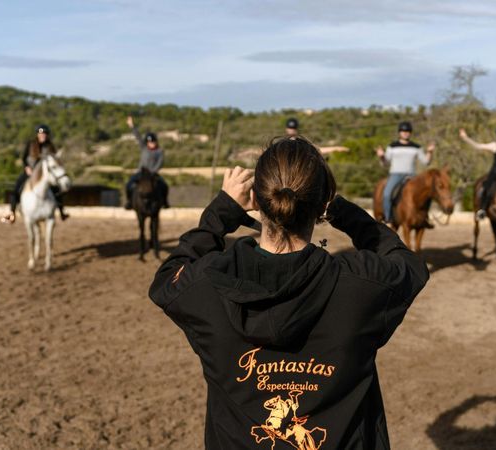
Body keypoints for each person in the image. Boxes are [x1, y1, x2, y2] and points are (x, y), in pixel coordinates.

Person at [149, 136, 428, 449]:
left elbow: (166, 281)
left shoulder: (207, 285)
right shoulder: (361, 286)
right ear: (322, 202)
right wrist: (341, 210)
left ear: (256, 197)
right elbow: (407, 264)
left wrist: (222, 211)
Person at [1, 124, 69, 224]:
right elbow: (24, 158)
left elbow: (54, 160)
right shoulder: (31, 144)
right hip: (30, 172)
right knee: (17, 188)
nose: (43, 136)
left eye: (45, 134)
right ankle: (12, 213)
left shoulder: (50, 146)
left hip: (45, 174)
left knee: (56, 190)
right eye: (41, 134)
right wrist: (27, 167)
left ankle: (61, 211)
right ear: (37, 134)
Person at [375, 121, 435, 224]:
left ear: (410, 133)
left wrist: (429, 152)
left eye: (408, 131)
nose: (405, 133)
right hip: (395, 174)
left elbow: (426, 162)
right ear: (399, 132)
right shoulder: (392, 146)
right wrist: (381, 156)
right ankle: (388, 218)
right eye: (403, 131)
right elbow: (385, 163)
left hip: (411, 176)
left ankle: (425, 219)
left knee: (427, 194)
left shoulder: (416, 147)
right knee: (386, 194)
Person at [459, 124, 496, 219]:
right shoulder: (495, 145)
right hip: (495, 174)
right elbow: (478, 146)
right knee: (486, 188)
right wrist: (466, 138)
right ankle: (482, 209)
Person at [124, 115, 169, 209]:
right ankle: (129, 202)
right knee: (129, 184)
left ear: (156, 142)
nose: (152, 144)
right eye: (150, 142)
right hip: (141, 172)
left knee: (164, 186)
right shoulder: (144, 148)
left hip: (152, 174)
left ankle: (165, 202)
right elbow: (138, 136)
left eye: (153, 142)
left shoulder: (159, 151)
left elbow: (159, 163)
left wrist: (152, 172)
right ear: (147, 143)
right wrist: (132, 125)